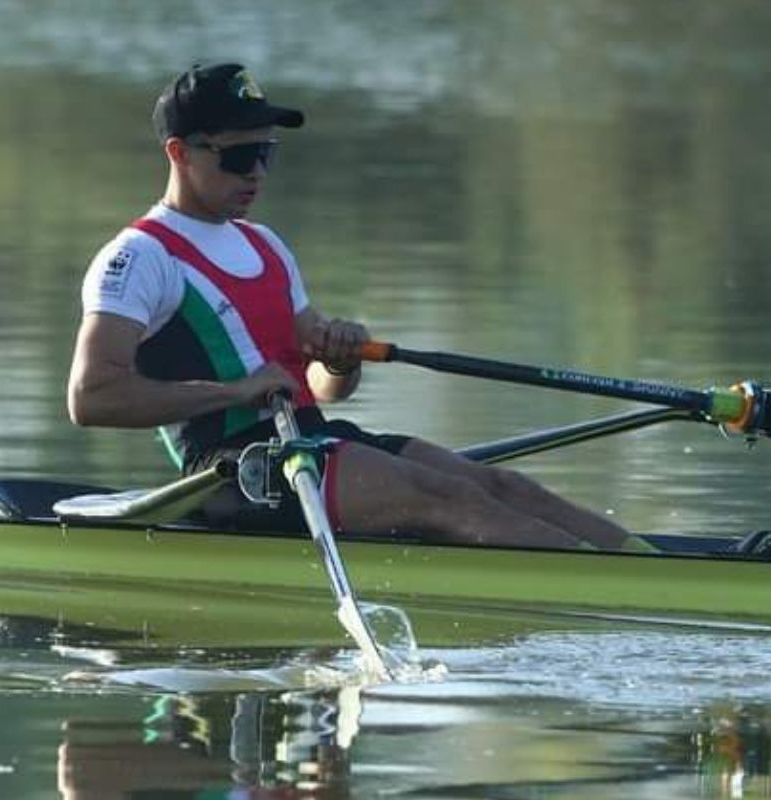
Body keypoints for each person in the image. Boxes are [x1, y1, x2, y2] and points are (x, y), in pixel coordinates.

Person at [67, 62, 650, 552]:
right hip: (234, 471)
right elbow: (91, 398)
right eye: (239, 159)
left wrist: (341, 359)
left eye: (266, 154)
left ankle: (651, 570)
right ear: (179, 152)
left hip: (311, 441)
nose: (257, 174)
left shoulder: (264, 245)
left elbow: (321, 390)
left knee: (505, 487)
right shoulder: (139, 258)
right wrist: (235, 391)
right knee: (448, 499)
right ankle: (614, 593)